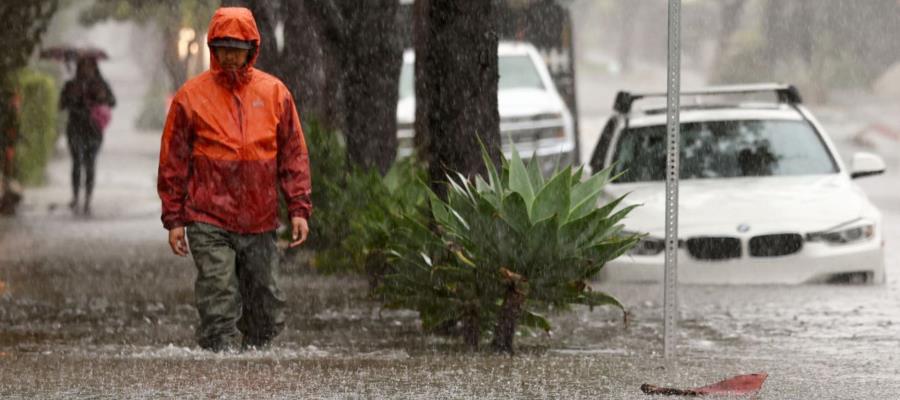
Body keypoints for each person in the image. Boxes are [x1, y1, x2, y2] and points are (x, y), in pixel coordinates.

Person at [157, 7, 312, 352]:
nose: (229, 56)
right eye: (223, 48)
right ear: (213, 48)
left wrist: (298, 207)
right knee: (217, 298)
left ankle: (253, 361)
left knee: (266, 305)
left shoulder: (275, 94)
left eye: (237, 48)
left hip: (259, 218)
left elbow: (293, 154)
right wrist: (174, 219)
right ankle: (220, 364)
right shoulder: (190, 98)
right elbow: (173, 161)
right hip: (207, 217)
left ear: (251, 49)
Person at [59, 56, 115, 215]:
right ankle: (76, 197)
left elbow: (112, 101)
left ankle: (88, 198)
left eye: (89, 65)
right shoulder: (71, 85)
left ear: (94, 67)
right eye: (82, 65)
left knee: (90, 164)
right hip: (75, 129)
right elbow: (61, 104)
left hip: (93, 131)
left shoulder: (100, 84)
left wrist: (101, 97)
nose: (86, 69)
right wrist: (71, 97)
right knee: (76, 163)